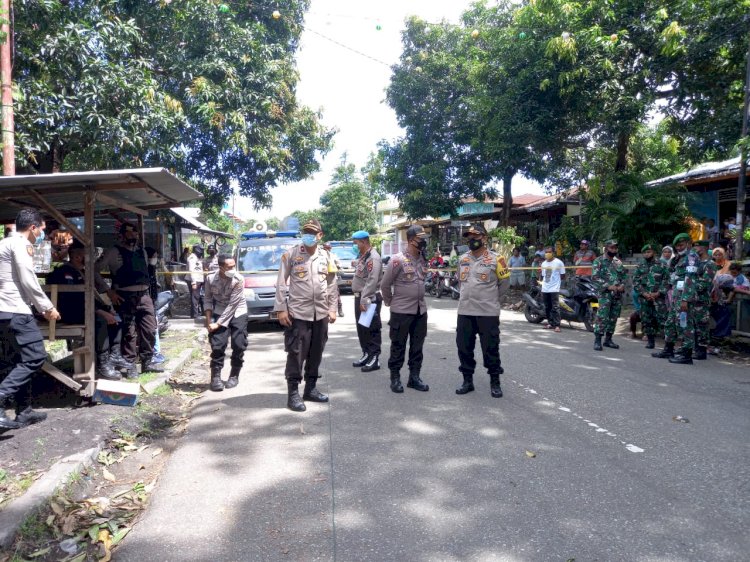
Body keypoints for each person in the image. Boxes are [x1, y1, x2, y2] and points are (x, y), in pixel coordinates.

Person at [0, 208, 60, 432]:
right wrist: (47, 307)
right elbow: (28, 279)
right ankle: (1, 397)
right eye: (42, 230)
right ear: (32, 227)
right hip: (16, 310)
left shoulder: (3, 243)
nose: (42, 234)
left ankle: (23, 410)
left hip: (3, 312)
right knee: (36, 356)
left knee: (15, 360)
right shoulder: (20, 245)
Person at [273, 219, 338, 412]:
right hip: (299, 314)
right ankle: (293, 393)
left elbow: (332, 284)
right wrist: (281, 308)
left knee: (316, 352)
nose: (309, 235)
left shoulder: (326, 256)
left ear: (320, 235)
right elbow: (281, 283)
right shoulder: (291, 254)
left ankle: (311, 389)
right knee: (296, 354)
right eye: (306, 232)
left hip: (321, 314)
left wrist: (333, 308)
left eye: (313, 232)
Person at [95, 222, 164, 376]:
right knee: (128, 331)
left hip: (144, 296)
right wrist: (108, 291)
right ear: (122, 235)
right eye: (130, 233)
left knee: (150, 328)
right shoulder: (113, 252)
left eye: (136, 233)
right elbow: (94, 270)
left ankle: (147, 361)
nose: (133, 236)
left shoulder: (142, 252)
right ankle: (130, 364)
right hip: (123, 296)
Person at [48, 240, 122, 380]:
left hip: (84, 309)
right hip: (68, 313)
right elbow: (73, 300)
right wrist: (99, 312)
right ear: (77, 257)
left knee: (116, 318)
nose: (91, 260)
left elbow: (89, 298)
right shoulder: (64, 273)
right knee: (100, 320)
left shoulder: (83, 272)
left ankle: (114, 356)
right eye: (87, 256)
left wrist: (106, 309)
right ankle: (103, 364)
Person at [454, 225, 510, 398]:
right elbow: (460, 282)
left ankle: (495, 382)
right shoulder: (462, 258)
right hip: (465, 311)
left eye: (475, 236)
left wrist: (493, 302)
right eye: (469, 236)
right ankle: (467, 381)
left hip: (488, 313)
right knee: (464, 347)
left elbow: (504, 286)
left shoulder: (497, 259)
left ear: (484, 238)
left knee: (490, 348)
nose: (472, 239)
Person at [381, 225, 430, 394]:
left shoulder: (423, 259)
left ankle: (414, 378)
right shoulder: (398, 259)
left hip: (420, 311)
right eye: (420, 238)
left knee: (417, 347)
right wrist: (390, 302)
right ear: (410, 240)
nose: (423, 241)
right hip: (401, 311)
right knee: (398, 346)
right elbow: (385, 284)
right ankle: (395, 378)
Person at [652, 233, 701, 364]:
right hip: (676, 296)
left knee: (685, 324)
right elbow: (672, 277)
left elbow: (690, 279)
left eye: (681, 245)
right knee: (670, 323)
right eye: (677, 246)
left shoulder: (691, 257)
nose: (679, 248)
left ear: (688, 244)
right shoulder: (679, 258)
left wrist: (685, 299)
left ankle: (687, 355)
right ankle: (669, 349)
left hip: (685, 297)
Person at [204, 254, 248, 391]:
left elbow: (233, 305)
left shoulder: (238, 279)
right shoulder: (210, 278)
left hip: (238, 311)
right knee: (217, 344)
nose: (233, 269)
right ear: (221, 267)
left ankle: (234, 375)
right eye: (229, 267)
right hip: (219, 309)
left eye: (234, 266)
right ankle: (215, 377)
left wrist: (218, 323)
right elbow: (207, 299)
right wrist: (209, 321)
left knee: (239, 343)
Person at [350, 230, 383, 373]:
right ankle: (367, 354)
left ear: (363, 242)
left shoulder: (373, 258)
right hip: (361, 298)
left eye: (356, 243)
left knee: (372, 329)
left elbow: (372, 280)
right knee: (362, 329)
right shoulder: (365, 256)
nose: (355, 245)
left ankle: (375, 357)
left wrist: (364, 299)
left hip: (369, 298)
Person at [591, 239, 627, 351]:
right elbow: (595, 277)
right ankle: (597, 340)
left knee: (613, 317)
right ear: (606, 248)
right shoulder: (599, 261)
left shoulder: (618, 262)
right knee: (602, 317)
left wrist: (622, 285)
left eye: (615, 248)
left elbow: (624, 277)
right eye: (612, 247)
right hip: (604, 294)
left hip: (617, 295)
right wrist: (607, 286)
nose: (614, 250)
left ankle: (608, 339)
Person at [632, 244, 668, 349]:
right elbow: (636, 281)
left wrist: (658, 293)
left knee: (662, 319)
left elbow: (667, 280)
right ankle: (650, 341)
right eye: (645, 252)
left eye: (649, 252)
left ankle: (667, 343)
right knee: (647, 320)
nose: (647, 254)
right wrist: (644, 293)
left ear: (653, 253)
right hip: (645, 298)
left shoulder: (662, 264)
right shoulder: (640, 266)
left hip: (659, 298)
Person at [692, 240, 717, 360]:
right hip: (692, 298)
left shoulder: (710, 264)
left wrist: (689, 286)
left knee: (702, 325)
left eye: (697, 247)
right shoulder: (696, 263)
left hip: (702, 299)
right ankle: (695, 348)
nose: (695, 249)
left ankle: (701, 351)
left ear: (704, 248)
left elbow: (705, 283)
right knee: (694, 324)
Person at [540, 246, 565, 333]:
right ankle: (550, 323)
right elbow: (543, 276)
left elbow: (562, 276)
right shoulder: (543, 264)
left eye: (549, 252)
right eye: (546, 252)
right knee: (547, 307)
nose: (547, 254)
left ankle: (557, 325)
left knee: (555, 307)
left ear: (553, 253)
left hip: (554, 288)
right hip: (545, 288)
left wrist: (555, 282)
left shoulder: (559, 263)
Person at [185, 244, 205, 319]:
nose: (202, 252)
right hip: (194, 280)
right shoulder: (192, 258)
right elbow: (192, 271)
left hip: (198, 279)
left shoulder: (197, 257)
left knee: (196, 297)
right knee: (195, 297)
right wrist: (193, 282)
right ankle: (195, 315)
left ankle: (194, 314)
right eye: (201, 250)